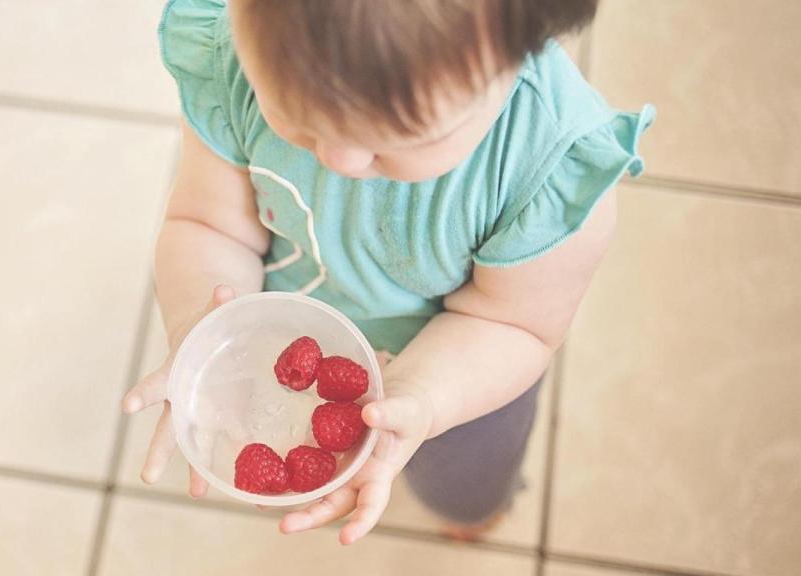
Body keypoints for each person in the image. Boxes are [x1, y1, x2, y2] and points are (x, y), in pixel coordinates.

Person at [122, 0, 654, 545]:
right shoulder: (235, 57)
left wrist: (422, 396)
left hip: (463, 371)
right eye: (298, 118)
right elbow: (209, 224)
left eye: (400, 140)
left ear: (515, 58)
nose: (341, 160)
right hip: (293, 328)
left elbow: (515, 324)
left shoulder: (549, 168)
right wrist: (199, 327)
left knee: (464, 483)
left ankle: (472, 511)